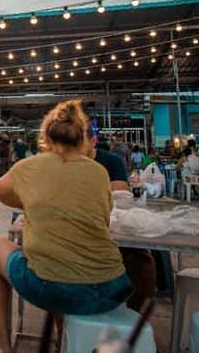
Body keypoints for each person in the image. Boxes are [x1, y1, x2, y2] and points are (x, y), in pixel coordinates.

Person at [0, 100, 132, 352]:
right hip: (111, 286)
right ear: (83, 138)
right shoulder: (99, 172)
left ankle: (0, 340)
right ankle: (65, 341)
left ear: (45, 137)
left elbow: (0, 192)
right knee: (62, 263)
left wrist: (34, 201)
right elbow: (105, 216)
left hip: (54, 288)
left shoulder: (28, 167)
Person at [85, 127, 156, 314]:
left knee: (142, 262)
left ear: (92, 141)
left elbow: (120, 196)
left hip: (109, 227)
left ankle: (130, 317)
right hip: (77, 233)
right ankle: (69, 332)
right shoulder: (64, 163)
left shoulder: (111, 161)